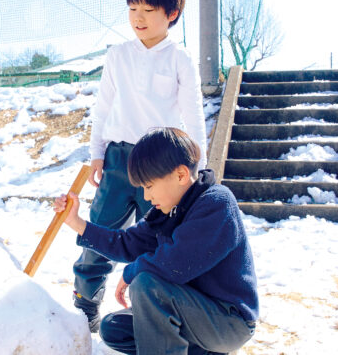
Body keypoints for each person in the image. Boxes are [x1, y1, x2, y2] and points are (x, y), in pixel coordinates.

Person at [74, 0, 208, 331]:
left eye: (148, 10)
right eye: (132, 9)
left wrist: (200, 169)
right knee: (99, 231)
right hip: (118, 160)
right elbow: (102, 107)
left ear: (171, 14)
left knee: (159, 239)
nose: (138, 18)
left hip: (162, 165)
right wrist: (97, 154)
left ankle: (149, 307)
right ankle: (85, 303)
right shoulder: (118, 55)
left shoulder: (180, 59)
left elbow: (193, 115)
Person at [55, 127, 258, 354]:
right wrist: (77, 223)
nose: (146, 196)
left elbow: (175, 265)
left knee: (147, 285)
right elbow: (126, 242)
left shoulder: (216, 204)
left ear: (180, 175)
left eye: (149, 186)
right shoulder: (167, 212)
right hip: (192, 314)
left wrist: (131, 272)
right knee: (114, 328)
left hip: (227, 322)